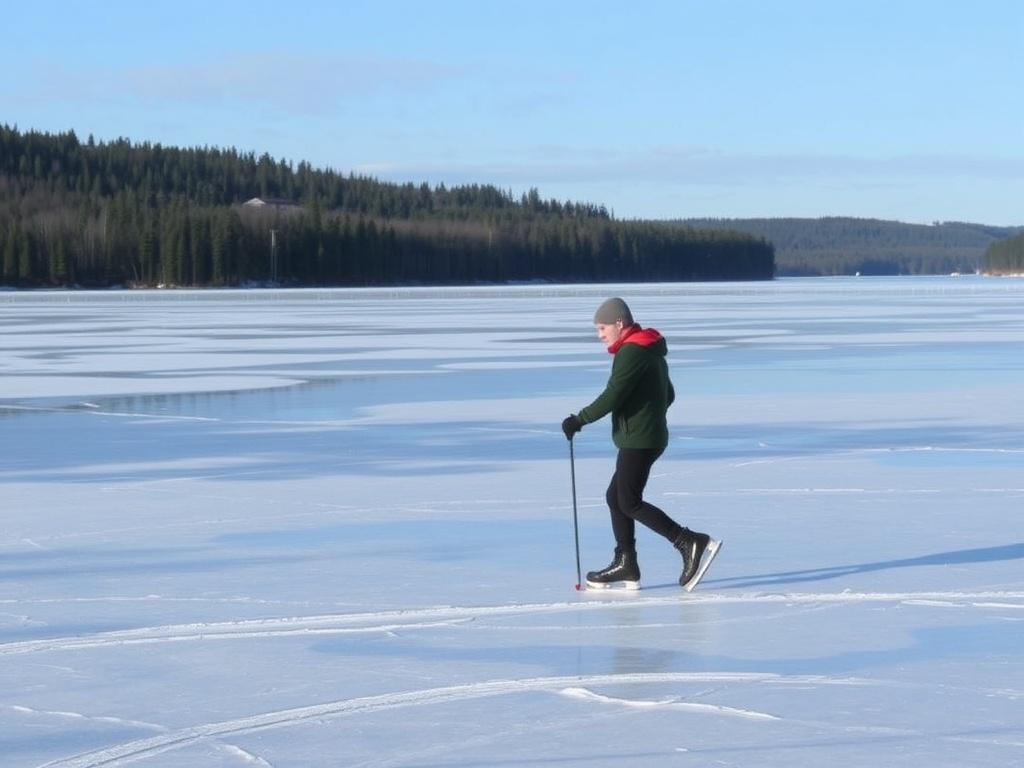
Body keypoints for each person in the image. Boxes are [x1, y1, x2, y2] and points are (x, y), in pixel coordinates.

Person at [561, 297, 720, 591]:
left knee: (629, 501)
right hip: (646, 435)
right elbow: (667, 394)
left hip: (640, 439)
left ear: (619, 324)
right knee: (616, 497)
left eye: (602, 327)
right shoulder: (649, 349)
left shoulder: (632, 352)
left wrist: (578, 419)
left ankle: (689, 542)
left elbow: (613, 395)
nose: (600, 334)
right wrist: (648, 414)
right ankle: (627, 563)